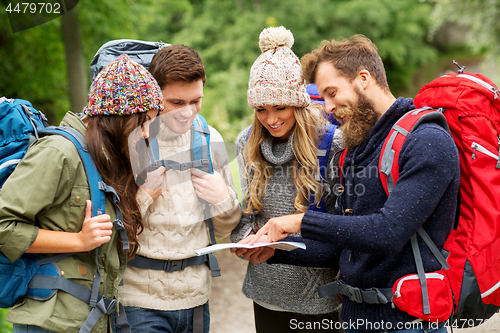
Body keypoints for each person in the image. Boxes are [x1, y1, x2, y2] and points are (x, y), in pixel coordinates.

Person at [252, 35, 460, 333]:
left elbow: (387, 232)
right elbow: (344, 245)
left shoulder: (427, 141)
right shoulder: (358, 147)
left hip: (409, 324)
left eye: (332, 93)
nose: (327, 107)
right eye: (323, 97)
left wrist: (301, 221)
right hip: (355, 319)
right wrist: (274, 250)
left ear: (364, 79)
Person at [0, 55, 164, 333]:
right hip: (50, 324)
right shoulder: (58, 153)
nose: (148, 133)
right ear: (119, 115)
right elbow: (4, 226)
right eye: (145, 121)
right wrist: (78, 240)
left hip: (89, 321)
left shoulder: (103, 159)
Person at [114, 44, 241, 333]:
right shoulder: (131, 140)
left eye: (196, 101)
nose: (188, 112)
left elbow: (225, 229)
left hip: (196, 299)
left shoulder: (210, 139)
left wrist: (222, 199)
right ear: (153, 94)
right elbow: (110, 227)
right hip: (139, 303)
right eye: (176, 102)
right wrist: (144, 196)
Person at [229, 26, 344, 333]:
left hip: (320, 297)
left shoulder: (332, 144)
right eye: (261, 110)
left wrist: (282, 243)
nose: (271, 119)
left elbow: (342, 226)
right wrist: (242, 240)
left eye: (280, 107)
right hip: (265, 293)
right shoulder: (246, 142)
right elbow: (245, 212)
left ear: (298, 103)